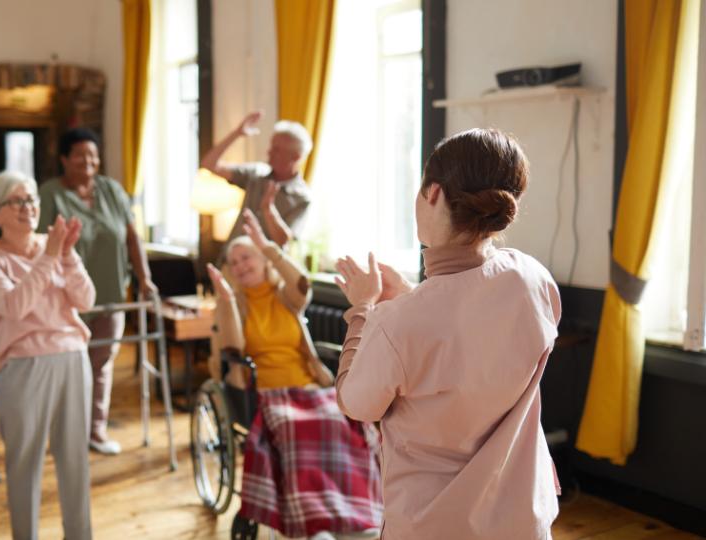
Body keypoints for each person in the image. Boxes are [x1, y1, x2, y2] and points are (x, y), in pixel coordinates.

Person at [334, 128, 562, 540]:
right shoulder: (533, 279)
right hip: (523, 517)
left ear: (433, 193)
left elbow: (356, 403)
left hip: (435, 526)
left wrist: (363, 309)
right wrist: (408, 296)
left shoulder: (397, 322)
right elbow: (471, 335)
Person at [207, 210, 382, 539]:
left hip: (310, 387)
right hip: (269, 393)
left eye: (247, 257)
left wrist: (268, 244)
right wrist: (227, 301)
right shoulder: (234, 304)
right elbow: (231, 349)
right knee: (294, 428)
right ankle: (313, 523)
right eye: (235, 262)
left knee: (346, 421)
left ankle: (354, 516)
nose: (241, 265)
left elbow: (302, 281)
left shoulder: (286, 298)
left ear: (262, 260)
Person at [0, 171, 95, 540]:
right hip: (24, 366)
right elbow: (15, 305)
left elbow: (86, 300)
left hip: (73, 357)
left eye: (32, 199)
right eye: (18, 201)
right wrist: (52, 255)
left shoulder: (54, 246)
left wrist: (67, 255)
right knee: (25, 463)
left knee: (75, 461)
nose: (29, 208)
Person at [36, 127, 157, 455]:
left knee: (101, 364)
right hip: (65, 300)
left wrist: (144, 279)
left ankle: (95, 430)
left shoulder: (112, 190)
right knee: (65, 365)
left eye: (92, 154)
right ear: (64, 159)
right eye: (79, 154)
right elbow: (40, 245)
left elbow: (132, 237)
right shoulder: (50, 193)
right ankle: (63, 431)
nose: (87, 161)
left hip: (111, 296)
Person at [201, 110, 312, 250]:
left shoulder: (301, 197)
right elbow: (209, 164)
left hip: (261, 270)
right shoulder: (256, 173)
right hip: (230, 263)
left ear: (295, 157)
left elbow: (284, 241)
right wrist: (236, 134)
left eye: (276, 149)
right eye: (271, 146)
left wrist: (268, 209)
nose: (269, 152)